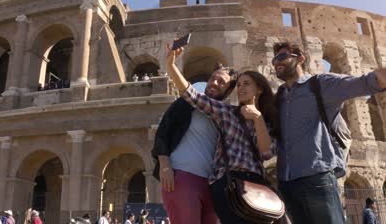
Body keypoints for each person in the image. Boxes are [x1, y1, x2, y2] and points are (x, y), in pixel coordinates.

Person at [271, 41, 386, 224]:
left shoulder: (320, 84)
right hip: (287, 182)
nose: (276, 62)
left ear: (301, 59)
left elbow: (362, 83)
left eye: (282, 56)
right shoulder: (279, 98)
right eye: (275, 59)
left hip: (317, 178)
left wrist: (379, 76)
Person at [166, 46, 278, 223]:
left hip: (256, 182)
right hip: (227, 182)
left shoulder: (266, 120)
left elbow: (267, 152)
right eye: (239, 85)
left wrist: (257, 118)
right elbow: (192, 95)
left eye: (246, 84)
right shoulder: (227, 112)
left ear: (260, 89)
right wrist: (171, 66)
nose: (241, 88)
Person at [151, 60, 236, 224]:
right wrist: (165, 164)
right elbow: (164, 128)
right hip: (182, 176)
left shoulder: (226, 114)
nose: (214, 83)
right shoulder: (190, 100)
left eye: (221, 82)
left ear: (229, 90)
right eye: (213, 78)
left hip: (212, 185)